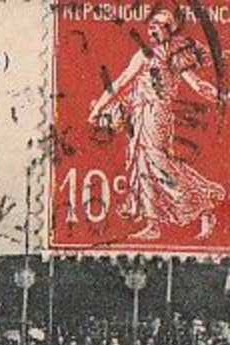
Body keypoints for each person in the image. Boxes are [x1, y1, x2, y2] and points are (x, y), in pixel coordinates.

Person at [88, 5, 225, 241]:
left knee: (160, 165)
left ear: (169, 31)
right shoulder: (142, 55)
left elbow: (198, 85)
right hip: (139, 115)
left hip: (158, 116)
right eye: (152, 26)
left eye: (161, 27)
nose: (154, 31)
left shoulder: (174, 56)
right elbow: (120, 83)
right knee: (143, 166)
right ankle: (153, 224)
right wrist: (98, 109)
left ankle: (203, 205)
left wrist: (222, 96)